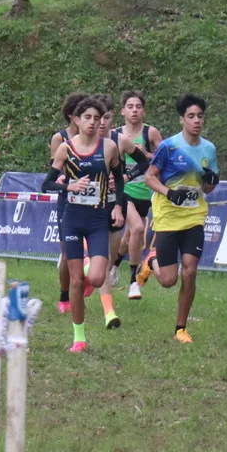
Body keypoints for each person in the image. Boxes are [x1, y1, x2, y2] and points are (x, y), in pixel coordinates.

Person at [43, 96, 126, 352]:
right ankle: (79, 338)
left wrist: (119, 206)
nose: (92, 122)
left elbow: (119, 179)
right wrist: (70, 186)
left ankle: (90, 265)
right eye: (87, 118)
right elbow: (46, 184)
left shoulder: (109, 147)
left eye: (97, 118)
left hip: (98, 219)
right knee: (77, 282)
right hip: (72, 220)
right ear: (77, 120)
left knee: (99, 277)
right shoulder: (66, 148)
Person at [137, 94, 220, 345]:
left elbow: (207, 189)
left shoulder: (209, 149)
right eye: (191, 116)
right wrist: (169, 193)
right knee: (168, 280)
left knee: (190, 270)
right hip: (168, 216)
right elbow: (149, 177)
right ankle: (151, 261)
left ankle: (180, 328)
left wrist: (211, 181)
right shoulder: (169, 146)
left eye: (200, 116)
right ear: (182, 119)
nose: (197, 121)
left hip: (194, 216)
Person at [92, 94, 151, 330]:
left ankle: (113, 272)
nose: (101, 123)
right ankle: (114, 303)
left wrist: (125, 177)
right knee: (134, 230)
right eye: (97, 118)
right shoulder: (79, 141)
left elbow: (145, 162)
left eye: (106, 117)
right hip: (87, 206)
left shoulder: (121, 140)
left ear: (112, 118)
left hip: (117, 199)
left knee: (108, 259)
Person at [110, 90, 162, 300]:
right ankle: (134, 281)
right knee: (139, 228)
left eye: (138, 107)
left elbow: (166, 159)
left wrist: (146, 154)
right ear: (122, 111)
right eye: (130, 107)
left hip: (145, 192)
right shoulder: (115, 135)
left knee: (130, 235)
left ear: (144, 111)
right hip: (124, 191)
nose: (134, 110)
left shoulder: (151, 133)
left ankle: (114, 266)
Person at [50, 92, 87, 314]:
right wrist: (65, 180)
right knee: (67, 251)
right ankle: (65, 296)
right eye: (81, 114)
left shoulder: (96, 138)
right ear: (72, 116)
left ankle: (85, 283)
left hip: (93, 198)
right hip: (68, 198)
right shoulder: (60, 139)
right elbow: (54, 171)